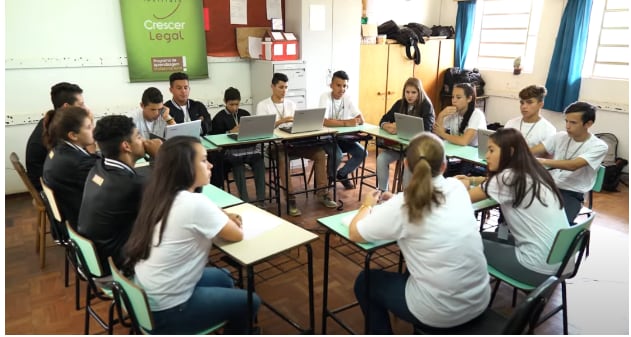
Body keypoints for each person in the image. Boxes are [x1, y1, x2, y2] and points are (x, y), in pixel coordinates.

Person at [348, 132, 490, 333]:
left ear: (405, 164)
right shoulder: (457, 188)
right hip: (479, 300)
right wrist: (397, 198)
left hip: (440, 312)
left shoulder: (404, 205)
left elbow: (355, 233)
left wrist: (366, 205)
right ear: (443, 166)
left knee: (365, 282)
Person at [123, 136, 260, 334]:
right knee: (251, 301)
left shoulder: (160, 193)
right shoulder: (194, 203)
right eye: (204, 160)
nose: (211, 165)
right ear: (185, 168)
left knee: (225, 277)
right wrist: (223, 217)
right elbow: (236, 234)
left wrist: (218, 215)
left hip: (147, 296)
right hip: (168, 310)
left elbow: (203, 211)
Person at [456, 128, 570, 285]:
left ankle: (465, 295)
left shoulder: (507, 178)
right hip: (559, 263)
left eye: (491, 150)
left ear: (510, 152)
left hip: (535, 268)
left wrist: (451, 185)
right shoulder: (534, 171)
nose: (486, 156)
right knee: (482, 237)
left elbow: (460, 199)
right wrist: (474, 180)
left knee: (462, 243)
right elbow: (498, 184)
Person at [78, 115, 162, 274]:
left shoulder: (98, 168)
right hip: (116, 268)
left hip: (95, 258)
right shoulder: (131, 185)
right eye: (138, 136)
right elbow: (180, 194)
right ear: (126, 146)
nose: (143, 140)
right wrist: (160, 156)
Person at [256, 72, 337, 216]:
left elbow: (298, 125)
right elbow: (262, 129)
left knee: (319, 153)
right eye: (281, 87)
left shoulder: (291, 104)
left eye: (286, 87)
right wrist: (281, 121)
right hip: (275, 145)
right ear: (272, 87)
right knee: (282, 159)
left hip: (294, 143)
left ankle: (322, 193)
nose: (284, 91)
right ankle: (291, 198)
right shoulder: (263, 105)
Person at [531, 101, 608, 223]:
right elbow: (534, 150)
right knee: (517, 210)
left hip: (572, 192)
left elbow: (573, 165)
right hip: (549, 186)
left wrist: (541, 161)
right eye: (566, 121)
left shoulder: (599, 146)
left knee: (558, 225)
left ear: (588, 124)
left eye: (573, 122)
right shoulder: (560, 136)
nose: (567, 126)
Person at [42, 106, 99, 229]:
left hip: (68, 218)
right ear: (73, 135)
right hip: (83, 223)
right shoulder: (79, 163)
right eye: (89, 127)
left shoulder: (58, 149)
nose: (94, 130)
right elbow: (106, 180)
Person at [377, 77, 435, 191]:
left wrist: (398, 128)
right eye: (407, 92)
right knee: (381, 159)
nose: (410, 95)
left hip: (418, 149)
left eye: (413, 92)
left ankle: (406, 197)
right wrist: (387, 126)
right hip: (400, 146)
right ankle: (383, 192)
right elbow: (383, 120)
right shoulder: (400, 103)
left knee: (408, 164)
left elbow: (427, 131)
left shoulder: (426, 106)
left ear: (419, 92)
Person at [26, 82, 85, 191]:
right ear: (66, 107)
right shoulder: (57, 130)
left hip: (52, 180)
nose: (85, 108)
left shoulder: (51, 121)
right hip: (49, 189)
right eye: (81, 105)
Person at [211, 87, 266, 204]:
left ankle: (261, 200)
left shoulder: (244, 114)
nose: (234, 107)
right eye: (231, 104)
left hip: (248, 149)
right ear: (225, 102)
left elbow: (254, 131)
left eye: (237, 104)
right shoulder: (219, 118)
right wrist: (230, 132)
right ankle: (244, 200)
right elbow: (214, 137)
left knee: (259, 161)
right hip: (230, 152)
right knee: (238, 165)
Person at [319, 70, 367, 190]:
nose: (342, 89)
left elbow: (361, 118)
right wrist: (346, 123)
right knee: (338, 155)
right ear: (331, 85)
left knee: (362, 153)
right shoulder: (325, 97)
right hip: (326, 138)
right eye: (338, 85)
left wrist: (358, 119)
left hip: (342, 137)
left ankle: (342, 174)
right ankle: (330, 178)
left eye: (344, 86)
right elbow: (324, 121)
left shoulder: (347, 97)